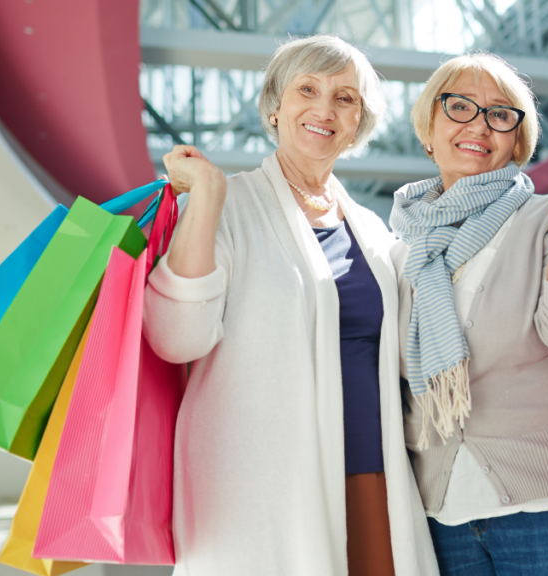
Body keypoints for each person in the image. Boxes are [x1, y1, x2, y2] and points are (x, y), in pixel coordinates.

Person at [143, 35, 438, 576]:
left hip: (371, 477)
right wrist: (205, 194)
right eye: (308, 89)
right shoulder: (225, 207)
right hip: (263, 494)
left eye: (345, 98)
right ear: (276, 107)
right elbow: (175, 337)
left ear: (358, 123)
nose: (324, 109)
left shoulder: (372, 230)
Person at [390, 52, 548, 575]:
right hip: (444, 516)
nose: (478, 125)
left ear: (516, 142)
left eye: (501, 115)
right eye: (459, 106)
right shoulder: (400, 249)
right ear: (428, 128)